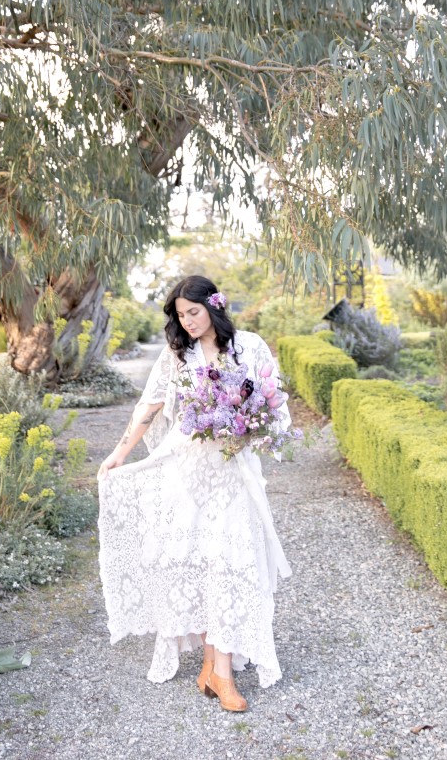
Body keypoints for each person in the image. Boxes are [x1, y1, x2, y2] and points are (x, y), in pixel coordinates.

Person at [97, 275, 292, 712]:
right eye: (180, 315)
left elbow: (274, 401)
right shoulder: (177, 355)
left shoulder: (250, 347)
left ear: (214, 307)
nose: (186, 321)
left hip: (234, 475)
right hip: (189, 475)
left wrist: (254, 426)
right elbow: (149, 408)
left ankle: (220, 672)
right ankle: (213, 668)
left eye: (193, 312)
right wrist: (119, 453)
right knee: (200, 564)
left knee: (229, 563)